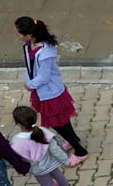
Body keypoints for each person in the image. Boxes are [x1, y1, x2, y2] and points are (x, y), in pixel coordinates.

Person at [16, 16, 88, 164]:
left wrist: (30, 85)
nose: (16, 35)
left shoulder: (45, 53)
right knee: (62, 121)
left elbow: (44, 77)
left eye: (18, 32)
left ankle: (80, 151)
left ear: (28, 35)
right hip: (43, 91)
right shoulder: (30, 45)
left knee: (57, 124)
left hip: (50, 93)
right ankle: (73, 139)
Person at [8, 105, 72, 186]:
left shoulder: (16, 141)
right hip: (52, 163)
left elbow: (16, 157)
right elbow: (55, 149)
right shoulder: (42, 131)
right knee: (58, 174)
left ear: (18, 124)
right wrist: (66, 160)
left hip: (38, 170)